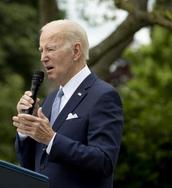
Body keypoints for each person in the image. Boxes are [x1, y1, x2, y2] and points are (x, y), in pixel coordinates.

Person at [12, 19, 123, 188]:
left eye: (50, 49)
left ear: (76, 51)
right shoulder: (49, 101)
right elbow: (30, 165)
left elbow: (104, 162)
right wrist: (26, 129)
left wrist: (51, 139)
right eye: (41, 51)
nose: (43, 57)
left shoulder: (103, 95)